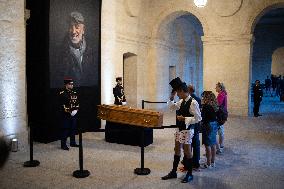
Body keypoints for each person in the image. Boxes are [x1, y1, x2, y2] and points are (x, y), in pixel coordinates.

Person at [161, 77, 202, 183]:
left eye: (178, 92)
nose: (177, 95)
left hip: (188, 130)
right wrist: (171, 97)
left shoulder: (193, 102)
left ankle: (189, 174)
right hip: (180, 128)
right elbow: (172, 107)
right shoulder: (181, 101)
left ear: (183, 91)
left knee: (188, 151)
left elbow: (198, 118)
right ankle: (173, 172)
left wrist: (184, 118)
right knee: (177, 149)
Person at [52, 11, 96, 87]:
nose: (73, 31)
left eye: (77, 27)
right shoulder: (59, 53)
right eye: (70, 27)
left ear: (83, 30)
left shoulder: (93, 50)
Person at [180, 85, 201, 171]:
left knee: (189, 144)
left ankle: (189, 164)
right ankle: (195, 163)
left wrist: (184, 118)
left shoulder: (192, 100)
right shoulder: (198, 98)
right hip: (195, 124)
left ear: (189, 90)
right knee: (195, 143)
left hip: (192, 124)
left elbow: (197, 116)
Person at [59, 78, 80, 150]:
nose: (72, 85)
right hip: (66, 114)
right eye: (70, 84)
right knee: (65, 129)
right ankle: (63, 144)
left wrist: (76, 110)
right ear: (66, 85)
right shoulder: (62, 93)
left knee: (73, 128)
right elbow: (63, 104)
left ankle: (72, 142)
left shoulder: (74, 92)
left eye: (72, 84)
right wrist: (69, 111)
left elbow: (76, 102)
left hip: (74, 113)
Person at [200, 91, 218, 168]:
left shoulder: (206, 106)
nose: (202, 98)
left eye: (203, 96)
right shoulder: (214, 105)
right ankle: (213, 162)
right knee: (213, 143)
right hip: (214, 124)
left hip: (207, 125)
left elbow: (202, 118)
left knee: (207, 145)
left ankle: (208, 163)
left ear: (206, 98)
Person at [215, 82, 228, 154]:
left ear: (220, 88)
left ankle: (221, 147)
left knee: (220, 130)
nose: (215, 88)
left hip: (221, 115)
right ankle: (221, 145)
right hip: (222, 114)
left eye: (216, 87)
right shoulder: (222, 93)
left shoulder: (221, 94)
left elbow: (218, 104)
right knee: (221, 130)